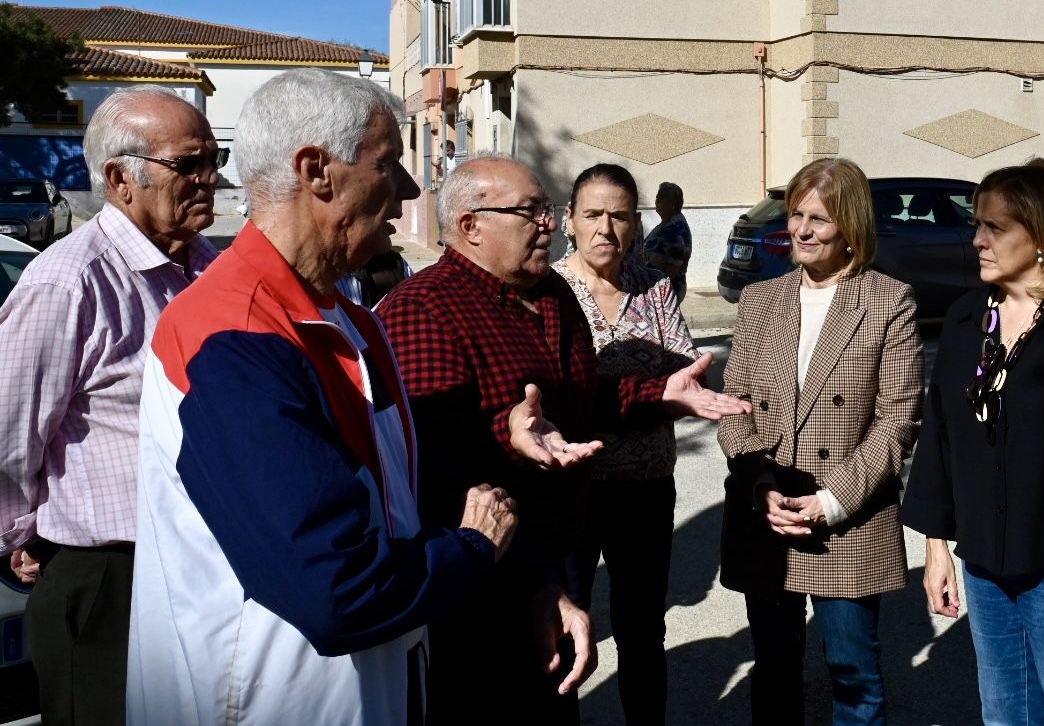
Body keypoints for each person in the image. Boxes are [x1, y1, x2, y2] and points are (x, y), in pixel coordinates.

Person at [125, 69, 552, 724]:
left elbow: (392, 492)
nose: (411, 190)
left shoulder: (348, 320)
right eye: (388, 165)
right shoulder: (230, 335)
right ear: (317, 172)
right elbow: (339, 589)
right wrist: (472, 548)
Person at [376, 154, 744, 724]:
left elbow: (584, 398)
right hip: (482, 581)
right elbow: (426, 455)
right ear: (471, 225)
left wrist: (658, 394)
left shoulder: (552, 294)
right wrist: (505, 433)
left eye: (545, 210)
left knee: (559, 689)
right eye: (530, 212)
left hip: (550, 558)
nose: (549, 224)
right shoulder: (424, 309)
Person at [0, 86, 221, 726]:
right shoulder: (69, 280)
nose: (210, 178)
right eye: (190, 164)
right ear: (122, 178)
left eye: (215, 158)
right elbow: (10, 436)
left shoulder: (206, 270)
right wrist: (21, 536)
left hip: (202, 567)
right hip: (108, 581)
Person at [903, 159, 1044, 726]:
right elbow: (940, 432)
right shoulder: (964, 319)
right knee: (1006, 714)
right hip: (983, 561)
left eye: (995, 227)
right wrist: (937, 549)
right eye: (978, 224)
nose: (977, 239)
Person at [717, 156, 924, 726]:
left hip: (846, 520)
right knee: (775, 670)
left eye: (820, 220)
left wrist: (832, 500)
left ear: (852, 228)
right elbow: (734, 407)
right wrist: (760, 487)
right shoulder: (761, 301)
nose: (802, 231)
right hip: (769, 512)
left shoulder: (888, 300)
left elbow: (897, 419)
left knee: (852, 674)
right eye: (796, 215)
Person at [558, 164, 705, 726]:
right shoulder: (548, 292)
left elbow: (684, 375)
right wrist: (654, 390)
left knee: (643, 627)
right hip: (570, 491)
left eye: (619, 216)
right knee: (564, 621)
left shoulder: (655, 287)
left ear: (636, 222)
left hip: (644, 489)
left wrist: (674, 391)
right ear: (569, 220)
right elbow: (555, 394)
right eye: (593, 214)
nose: (606, 229)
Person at [643, 180, 693, 304]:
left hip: (664, 292)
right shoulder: (666, 224)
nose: (657, 201)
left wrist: (657, 292)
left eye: (662, 198)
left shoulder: (674, 229)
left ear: (673, 203)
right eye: (657, 197)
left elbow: (673, 267)